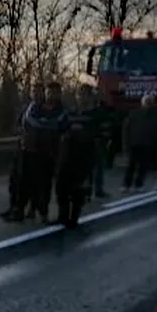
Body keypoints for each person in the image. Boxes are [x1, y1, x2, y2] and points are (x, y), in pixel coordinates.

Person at [13, 81, 70, 223]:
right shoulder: (36, 107)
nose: (51, 95)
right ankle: (26, 209)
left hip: (52, 152)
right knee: (28, 181)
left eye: (54, 93)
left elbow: (61, 126)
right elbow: (29, 122)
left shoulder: (62, 110)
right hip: (34, 150)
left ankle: (43, 211)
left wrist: (46, 127)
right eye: (49, 92)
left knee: (46, 184)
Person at [57, 88, 96, 227]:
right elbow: (59, 127)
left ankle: (74, 218)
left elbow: (97, 135)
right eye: (79, 94)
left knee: (77, 190)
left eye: (84, 95)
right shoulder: (69, 114)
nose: (81, 97)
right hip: (67, 155)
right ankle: (62, 216)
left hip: (83, 156)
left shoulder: (94, 115)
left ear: (90, 97)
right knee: (61, 187)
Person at [1, 93, 39, 222]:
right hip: (22, 147)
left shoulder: (42, 110)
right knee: (14, 180)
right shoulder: (26, 108)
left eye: (39, 91)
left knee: (28, 182)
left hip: (34, 150)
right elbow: (16, 125)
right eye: (35, 91)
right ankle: (13, 207)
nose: (36, 94)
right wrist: (19, 131)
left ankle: (24, 210)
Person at [121, 92, 157, 192]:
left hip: (148, 144)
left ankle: (138, 184)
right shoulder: (134, 113)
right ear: (142, 103)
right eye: (147, 102)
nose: (148, 104)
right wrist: (126, 144)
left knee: (143, 166)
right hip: (134, 143)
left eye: (150, 102)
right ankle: (126, 184)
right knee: (131, 165)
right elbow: (126, 129)